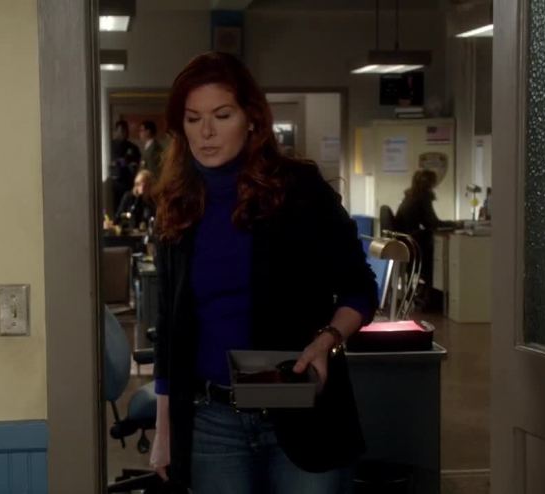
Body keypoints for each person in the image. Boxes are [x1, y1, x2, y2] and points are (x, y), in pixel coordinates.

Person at [150, 52, 378, 493]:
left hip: (301, 412)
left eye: (222, 115)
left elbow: (360, 288)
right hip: (212, 419)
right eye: (194, 119)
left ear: (252, 119)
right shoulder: (177, 204)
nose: (207, 132)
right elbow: (169, 328)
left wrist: (327, 340)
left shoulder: (299, 190)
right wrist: (164, 429)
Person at [394, 169, 461, 284]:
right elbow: (433, 223)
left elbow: (427, 222)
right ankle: (434, 287)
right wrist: (456, 224)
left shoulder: (410, 196)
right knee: (439, 252)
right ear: (430, 183)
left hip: (405, 241)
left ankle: (428, 286)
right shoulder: (423, 196)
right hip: (414, 242)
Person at [110, 120, 141, 213]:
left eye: (126, 131)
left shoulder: (133, 147)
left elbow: (137, 162)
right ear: (116, 131)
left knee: (128, 208)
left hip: (128, 183)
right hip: (114, 183)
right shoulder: (110, 146)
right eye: (122, 131)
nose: (125, 133)